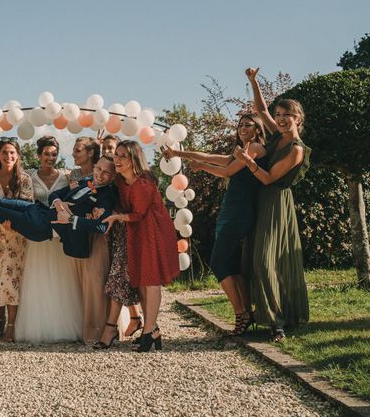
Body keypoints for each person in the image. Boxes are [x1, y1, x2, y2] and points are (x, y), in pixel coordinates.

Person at [164, 114, 267, 335]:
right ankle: (245, 311)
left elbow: (227, 171)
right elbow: (212, 157)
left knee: (218, 262)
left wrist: (202, 166)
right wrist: (178, 153)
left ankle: (241, 313)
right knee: (229, 264)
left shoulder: (256, 148)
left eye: (248, 125)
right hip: (229, 210)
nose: (242, 128)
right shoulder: (239, 152)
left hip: (240, 212)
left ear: (258, 129)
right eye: (240, 125)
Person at [233, 67, 310, 342]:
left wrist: (248, 162)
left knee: (267, 261)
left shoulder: (297, 149)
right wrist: (253, 81)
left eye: (286, 115)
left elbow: (268, 179)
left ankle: (277, 323)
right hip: (260, 202)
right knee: (254, 259)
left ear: (297, 118)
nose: (279, 119)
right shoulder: (276, 136)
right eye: (278, 115)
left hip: (276, 204)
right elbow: (259, 107)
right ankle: (264, 316)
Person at [0, 155, 118, 259]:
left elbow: (102, 227)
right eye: (98, 168)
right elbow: (55, 195)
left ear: (112, 176)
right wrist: (58, 203)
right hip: (37, 209)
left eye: (106, 172)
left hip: (41, 227)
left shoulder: (107, 197)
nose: (100, 174)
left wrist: (71, 219)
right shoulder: (85, 182)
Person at [102, 141, 179, 352]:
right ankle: (152, 330)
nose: (117, 159)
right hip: (136, 231)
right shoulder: (121, 181)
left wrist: (116, 216)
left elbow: (139, 214)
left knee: (151, 280)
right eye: (116, 155)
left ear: (134, 159)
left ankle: (148, 331)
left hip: (153, 231)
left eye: (123, 156)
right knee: (142, 282)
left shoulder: (142, 184)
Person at [14, 136, 82, 343]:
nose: (50, 158)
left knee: (62, 280)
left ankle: (64, 326)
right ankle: (38, 326)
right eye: (46, 154)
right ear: (39, 155)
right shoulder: (29, 177)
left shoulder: (66, 176)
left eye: (54, 154)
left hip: (60, 235)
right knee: (38, 278)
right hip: (37, 235)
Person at [0, 138, 33, 343]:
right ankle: (0, 320)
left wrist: (15, 222)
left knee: (10, 279)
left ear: (17, 155)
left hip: (15, 235)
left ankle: (11, 326)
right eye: (4, 152)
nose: (8, 156)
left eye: (12, 153)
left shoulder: (24, 178)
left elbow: (28, 206)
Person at [99, 132, 144, 339]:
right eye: (107, 149)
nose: (111, 154)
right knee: (123, 276)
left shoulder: (135, 179)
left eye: (115, 150)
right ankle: (136, 319)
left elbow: (140, 211)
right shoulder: (111, 175)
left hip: (130, 231)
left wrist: (119, 216)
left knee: (119, 277)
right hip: (115, 232)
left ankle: (112, 328)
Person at [68, 136, 111, 344]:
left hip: (99, 232)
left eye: (78, 150)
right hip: (79, 232)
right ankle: (84, 327)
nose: (74, 154)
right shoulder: (77, 177)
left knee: (96, 280)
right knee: (82, 281)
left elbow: (105, 214)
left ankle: (100, 330)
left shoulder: (107, 183)